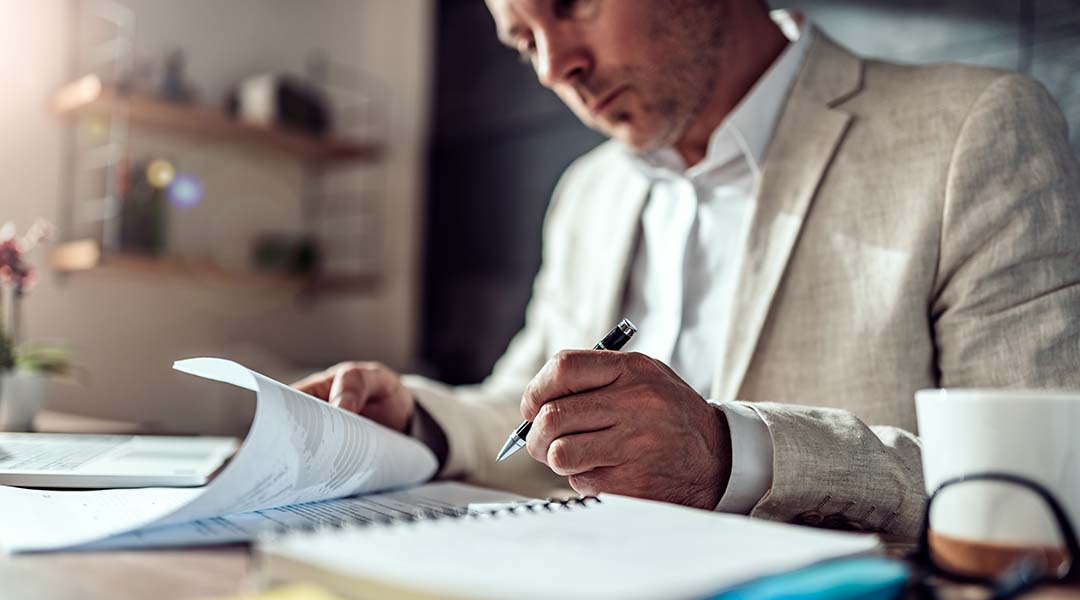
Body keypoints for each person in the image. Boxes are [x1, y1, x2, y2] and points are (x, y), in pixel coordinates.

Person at [293, 0, 1080, 539]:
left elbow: (1035, 482)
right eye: (523, 40)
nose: (554, 67)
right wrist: (410, 420)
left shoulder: (973, 131)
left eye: (571, 5)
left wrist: (729, 453)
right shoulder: (589, 191)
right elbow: (525, 414)